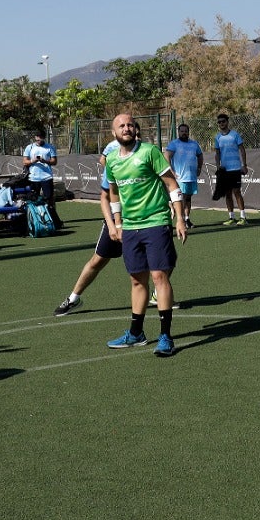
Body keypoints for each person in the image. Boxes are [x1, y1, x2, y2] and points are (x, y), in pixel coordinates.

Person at [101, 113, 187, 356]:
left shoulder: (150, 152)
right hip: (129, 228)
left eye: (130, 124)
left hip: (156, 221)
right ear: (113, 132)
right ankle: (136, 333)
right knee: (137, 280)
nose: (126, 128)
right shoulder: (111, 161)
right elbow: (114, 193)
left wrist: (180, 219)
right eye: (121, 125)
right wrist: (117, 223)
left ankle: (165, 337)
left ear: (135, 129)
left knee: (159, 276)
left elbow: (172, 185)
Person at [53, 140, 123, 316]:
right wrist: (112, 224)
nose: (131, 134)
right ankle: (73, 298)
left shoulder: (148, 156)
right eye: (124, 127)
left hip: (143, 220)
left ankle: (158, 296)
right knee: (97, 260)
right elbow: (105, 197)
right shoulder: (113, 162)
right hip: (117, 221)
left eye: (136, 133)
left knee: (157, 262)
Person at [162, 123, 203, 228]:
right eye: (182, 131)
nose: (184, 133)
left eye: (186, 131)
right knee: (182, 198)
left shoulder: (194, 144)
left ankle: (187, 219)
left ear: (188, 132)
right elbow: (167, 155)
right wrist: (171, 170)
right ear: (178, 132)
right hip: (180, 177)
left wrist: (199, 168)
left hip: (191, 177)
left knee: (188, 199)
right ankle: (179, 220)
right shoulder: (174, 144)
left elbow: (200, 155)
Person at [212, 113, 249, 225]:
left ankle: (243, 217)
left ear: (227, 122)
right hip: (224, 170)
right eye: (219, 122)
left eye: (223, 121)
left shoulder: (235, 135)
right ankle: (231, 217)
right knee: (227, 194)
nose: (221, 123)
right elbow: (217, 153)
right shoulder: (217, 137)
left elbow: (242, 149)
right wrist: (218, 166)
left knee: (237, 192)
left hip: (236, 169)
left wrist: (244, 165)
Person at [22, 128, 58, 214]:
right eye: (37, 137)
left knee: (49, 199)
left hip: (47, 177)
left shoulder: (50, 147)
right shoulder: (29, 147)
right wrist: (32, 161)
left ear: (44, 137)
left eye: (41, 137)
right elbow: (24, 162)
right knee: (33, 199)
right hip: (33, 178)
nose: (39, 139)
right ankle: (35, 217)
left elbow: (54, 161)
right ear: (35, 137)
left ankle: (52, 217)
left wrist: (44, 161)